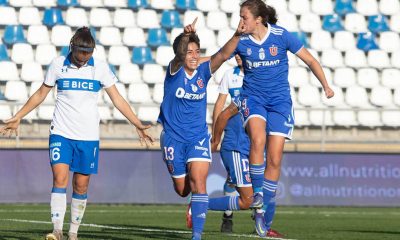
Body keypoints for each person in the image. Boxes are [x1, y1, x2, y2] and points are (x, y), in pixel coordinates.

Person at [0, 27, 154, 240]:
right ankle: (57, 230)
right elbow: (40, 94)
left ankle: (73, 233)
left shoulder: (99, 68)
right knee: (59, 178)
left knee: (81, 185)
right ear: (72, 47)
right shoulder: (57, 65)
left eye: (88, 53)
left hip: (88, 137)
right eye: (81, 53)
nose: (84, 57)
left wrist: (136, 123)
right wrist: (19, 115)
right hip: (61, 133)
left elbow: (117, 99)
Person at [234, 0, 334, 237]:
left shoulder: (281, 36)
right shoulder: (240, 40)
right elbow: (216, 58)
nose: (240, 22)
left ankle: (262, 213)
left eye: (244, 17)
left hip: (280, 103)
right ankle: (258, 194)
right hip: (253, 99)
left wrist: (326, 86)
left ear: (258, 19)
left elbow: (310, 59)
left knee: (276, 158)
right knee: (258, 140)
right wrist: (187, 56)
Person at [157, 18, 245, 240]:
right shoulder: (174, 70)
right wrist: (186, 36)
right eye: (190, 52)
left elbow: (222, 56)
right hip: (173, 139)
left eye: (197, 51)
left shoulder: (203, 72)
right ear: (181, 55)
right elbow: (179, 56)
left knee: (199, 183)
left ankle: (196, 236)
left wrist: (237, 34)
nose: (194, 55)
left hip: (197, 137)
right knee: (183, 190)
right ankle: (192, 204)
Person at [210, 58, 283, 237]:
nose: (238, 56)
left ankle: (264, 225)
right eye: (237, 53)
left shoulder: (261, 76)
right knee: (241, 188)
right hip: (237, 141)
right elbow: (221, 108)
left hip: (257, 140)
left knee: (268, 186)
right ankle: (224, 215)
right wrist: (215, 136)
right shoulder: (230, 76)